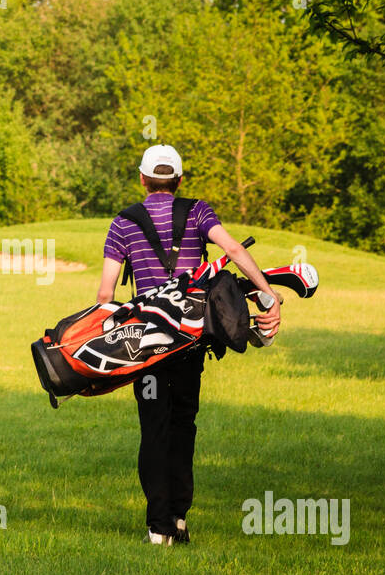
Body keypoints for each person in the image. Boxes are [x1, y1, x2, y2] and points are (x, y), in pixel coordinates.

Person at [96, 144, 282, 545]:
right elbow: (232, 250)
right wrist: (268, 295)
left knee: (154, 429)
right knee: (184, 425)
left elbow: (105, 293)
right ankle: (178, 518)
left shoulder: (123, 223)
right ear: (179, 180)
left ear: (142, 179)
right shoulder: (197, 211)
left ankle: (158, 526)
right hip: (192, 342)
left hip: (146, 345)